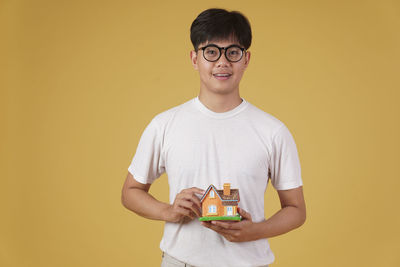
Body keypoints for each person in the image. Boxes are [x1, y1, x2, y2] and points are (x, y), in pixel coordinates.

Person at [121, 8, 306, 267]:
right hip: (180, 262)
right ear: (194, 59)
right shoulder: (164, 125)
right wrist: (168, 210)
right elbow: (130, 192)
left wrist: (255, 231)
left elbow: (296, 210)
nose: (222, 62)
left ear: (246, 59)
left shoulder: (272, 131)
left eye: (232, 52)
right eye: (211, 52)